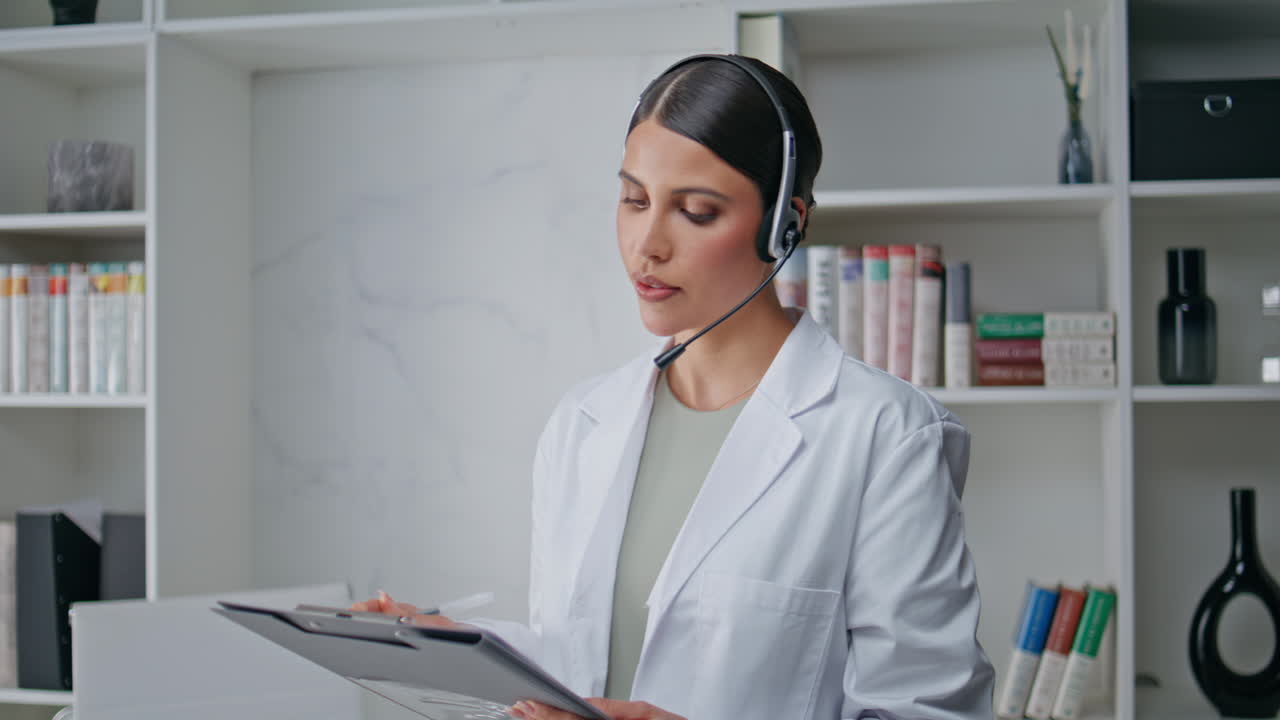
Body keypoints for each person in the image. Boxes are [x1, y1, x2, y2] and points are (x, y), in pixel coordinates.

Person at [353, 54, 995, 720]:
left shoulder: (888, 436)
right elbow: (584, 654)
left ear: (785, 225)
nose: (646, 245)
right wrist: (459, 651)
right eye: (634, 200)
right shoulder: (582, 422)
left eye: (694, 211)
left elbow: (928, 710)